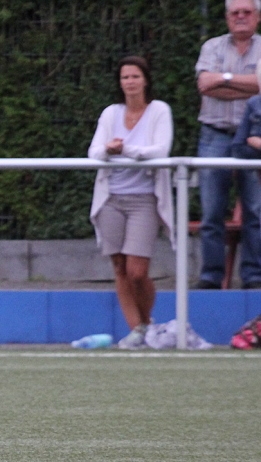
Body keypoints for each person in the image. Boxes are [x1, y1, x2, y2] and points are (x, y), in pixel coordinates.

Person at [88, 56, 174, 349]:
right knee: (120, 267)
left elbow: (160, 150)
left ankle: (147, 324)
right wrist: (109, 150)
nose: (130, 82)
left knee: (137, 271)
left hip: (144, 199)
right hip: (111, 198)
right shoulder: (111, 113)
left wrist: (125, 150)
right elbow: (95, 152)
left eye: (135, 76)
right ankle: (136, 329)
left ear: (145, 80)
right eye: (125, 77)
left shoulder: (159, 110)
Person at [195, 0, 261, 290]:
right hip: (215, 134)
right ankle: (211, 276)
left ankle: (254, 276)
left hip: (254, 138)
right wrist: (250, 86)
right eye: (235, 12)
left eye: (247, 12)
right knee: (211, 211)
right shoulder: (212, 47)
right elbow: (204, 85)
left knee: (256, 211)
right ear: (226, 17)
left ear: (257, 17)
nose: (241, 17)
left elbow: (218, 85)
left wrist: (223, 81)